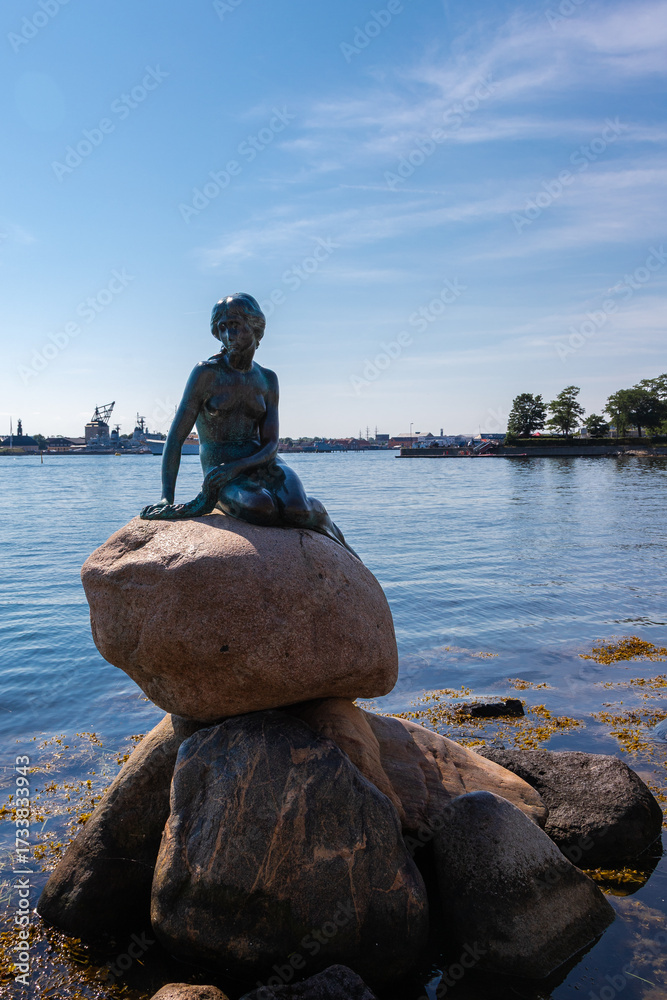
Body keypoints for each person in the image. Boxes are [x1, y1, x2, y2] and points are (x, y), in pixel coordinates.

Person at [141, 293, 357, 556]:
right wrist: (167, 497)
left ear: (255, 327)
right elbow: (174, 439)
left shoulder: (267, 379)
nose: (228, 334)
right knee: (261, 508)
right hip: (220, 469)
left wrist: (241, 465)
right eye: (222, 327)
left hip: (262, 462)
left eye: (234, 325)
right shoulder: (206, 374)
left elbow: (271, 444)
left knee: (297, 509)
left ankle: (332, 531)